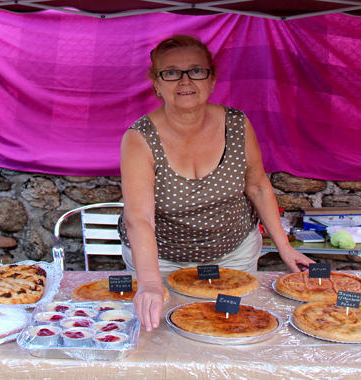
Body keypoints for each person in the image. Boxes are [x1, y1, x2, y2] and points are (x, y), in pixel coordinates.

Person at [117, 34, 315, 332]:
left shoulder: (237, 124)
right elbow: (140, 219)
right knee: (166, 336)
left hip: (234, 253)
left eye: (196, 70)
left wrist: (285, 247)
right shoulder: (139, 138)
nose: (185, 81)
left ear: (211, 79)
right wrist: (148, 283)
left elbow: (258, 186)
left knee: (232, 326)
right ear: (156, 84)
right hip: (162, 259)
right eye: (170, 73)